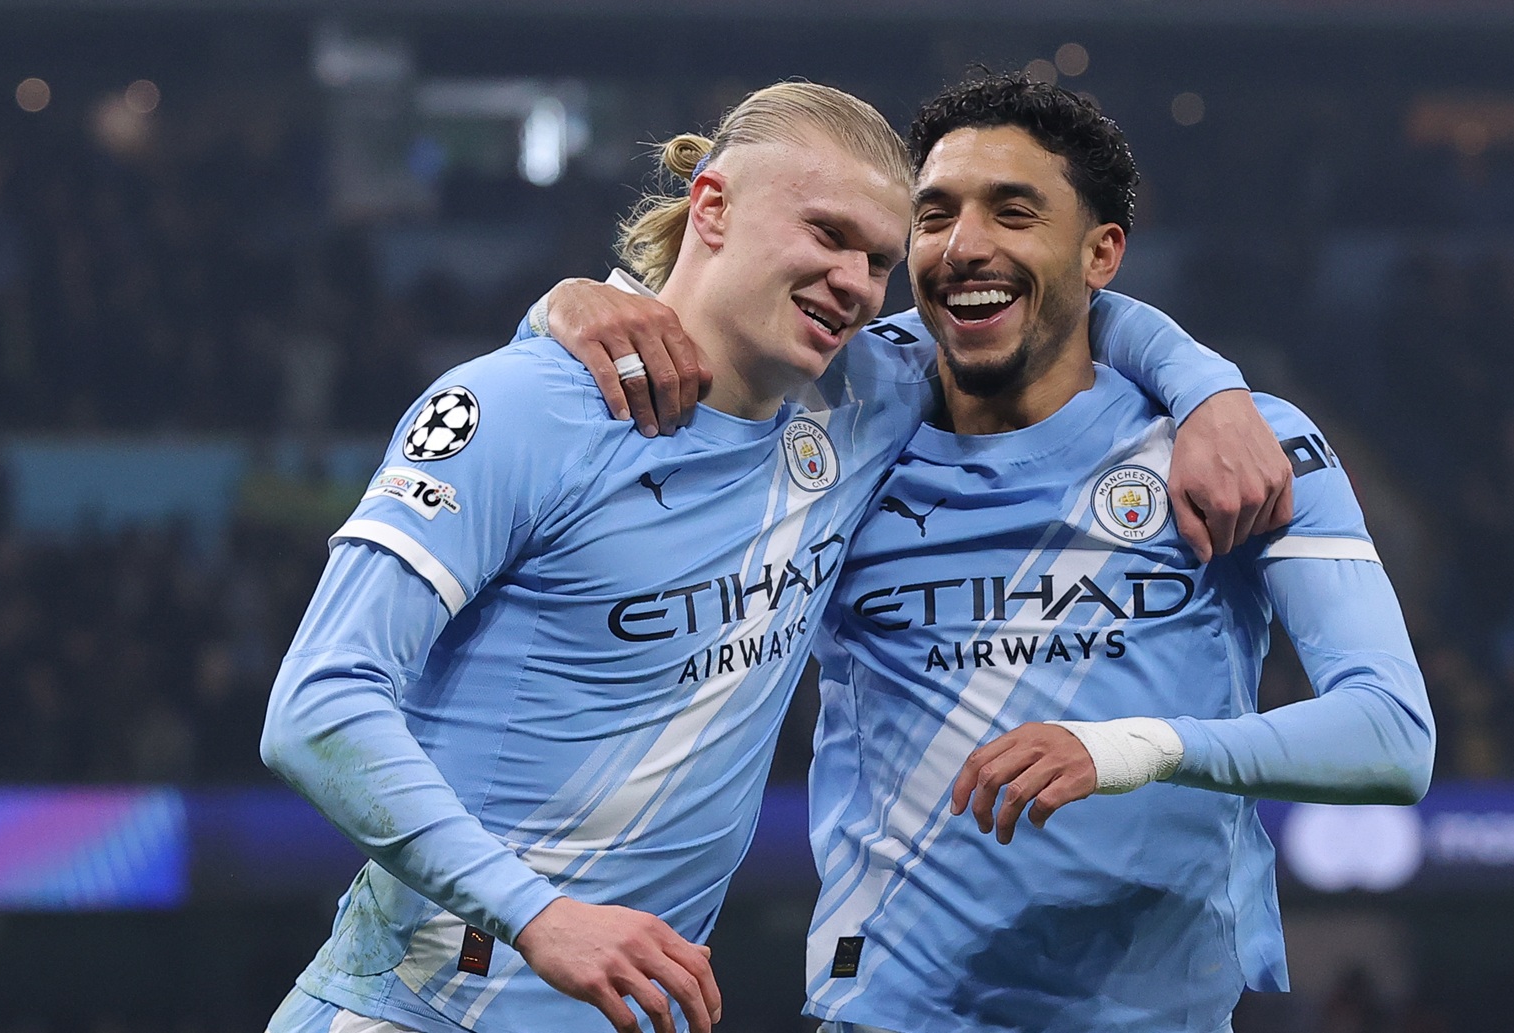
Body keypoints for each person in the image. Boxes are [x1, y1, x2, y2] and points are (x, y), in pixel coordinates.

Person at [260, 81, 1288, 1033]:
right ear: (710, 207)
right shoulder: (517, 407)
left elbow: (1064, 305)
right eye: (827, 235)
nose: (855, 282)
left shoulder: (865, 397)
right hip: (415, 1006)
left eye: (880, 260)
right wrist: (541, 917)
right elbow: (317, 706)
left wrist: (1208, 387)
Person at [542, 74, 1433, 1033]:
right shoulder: (842, 423)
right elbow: (645, 356)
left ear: (1102, 253)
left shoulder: (1235, 447)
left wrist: (1124, 749)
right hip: (891, 1010)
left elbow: (1389, 737)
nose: (965, 246)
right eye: (935, 216)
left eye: (1014, 212)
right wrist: (563, 309)